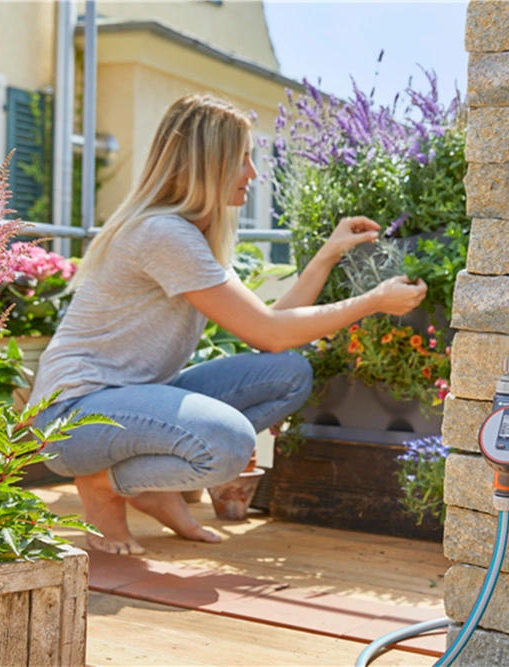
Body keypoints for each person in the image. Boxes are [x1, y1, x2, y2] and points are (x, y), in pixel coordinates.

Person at [30, 94, 427, 556]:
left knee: (289, 374)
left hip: (128, 402)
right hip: (73, 420)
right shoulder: (163, 235)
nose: (253, 174)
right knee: (229, 442)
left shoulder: (189, 236)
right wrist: (375, 301)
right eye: (241, 159)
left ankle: (152, 485)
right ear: (207, 163)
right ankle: (105, 483)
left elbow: (271, 328)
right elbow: (270, 332)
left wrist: (327, 254)